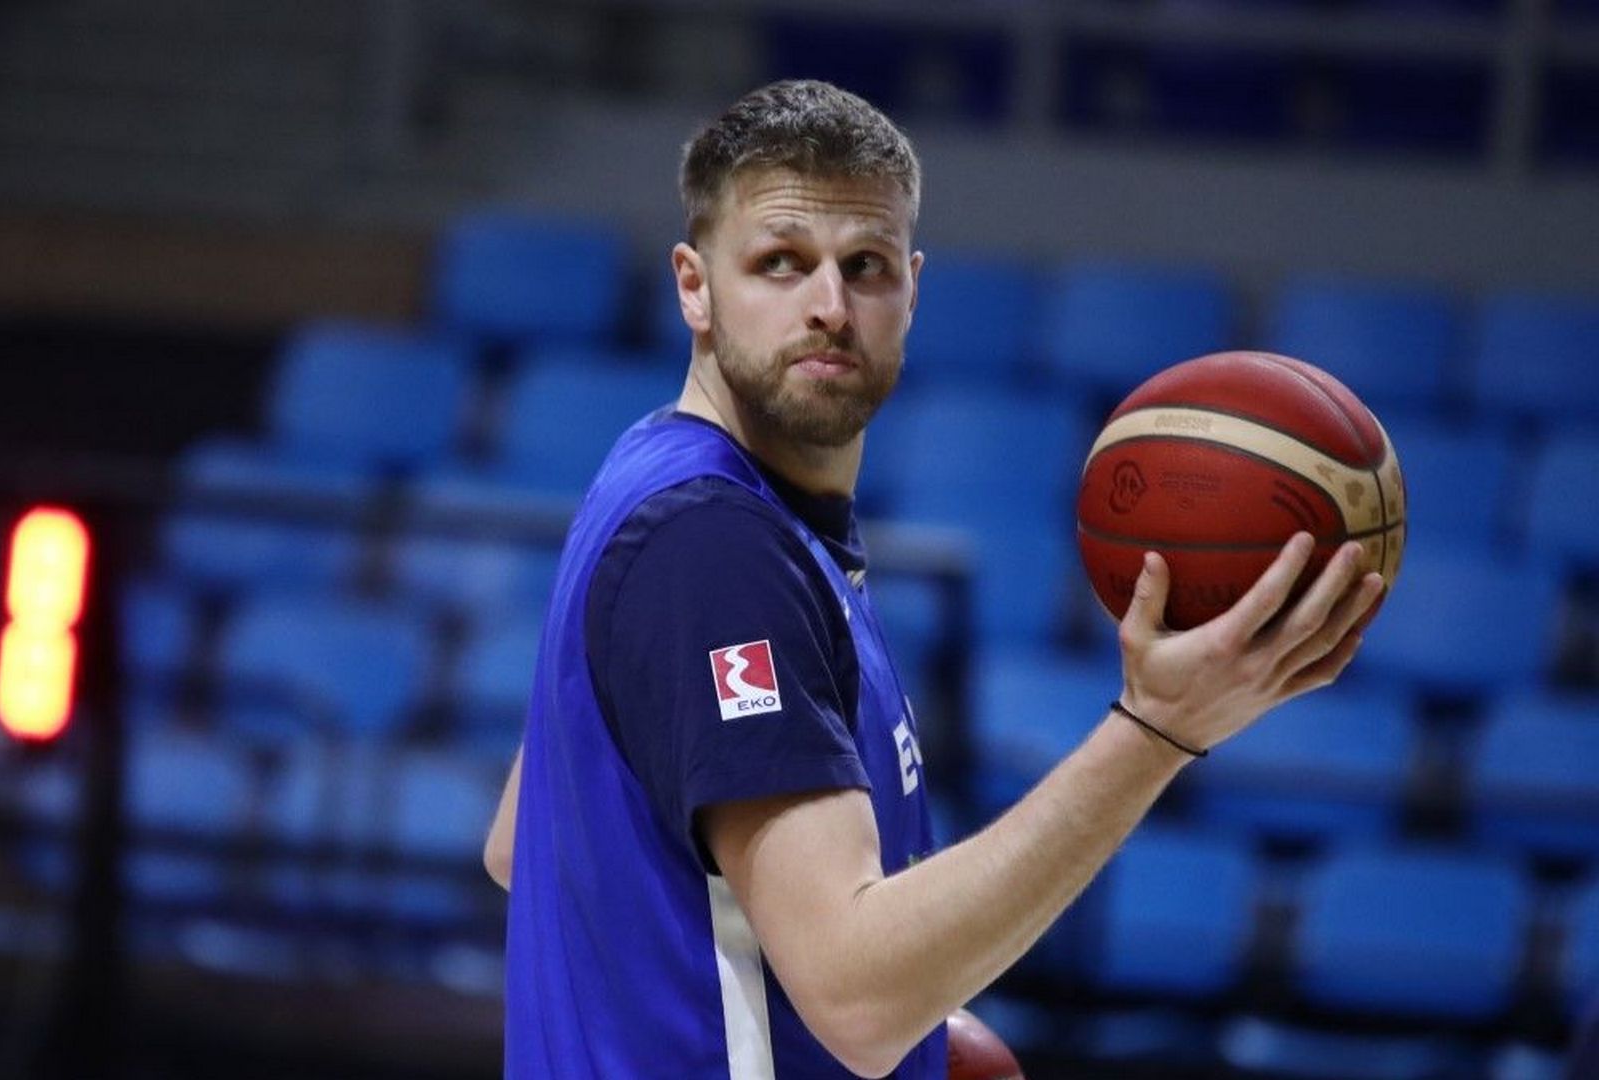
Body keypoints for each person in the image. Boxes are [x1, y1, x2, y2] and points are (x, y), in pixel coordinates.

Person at [482, 78, 1383, 1079]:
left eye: (864, 267)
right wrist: (1156, 732)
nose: (830, 307)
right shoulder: (714, 545)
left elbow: (526, 842)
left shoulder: (659, 475)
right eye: (780, 262)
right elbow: (859, 1002)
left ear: (911, 290)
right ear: (694, 286)